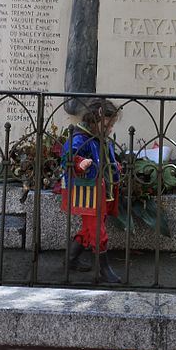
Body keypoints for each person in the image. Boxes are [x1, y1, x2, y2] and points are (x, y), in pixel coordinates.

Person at [61, 99, 122, 283]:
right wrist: (79, 162)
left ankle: (71, 259)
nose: (110, 128)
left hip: (101, 192)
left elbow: (107, 159)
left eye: (111, 125)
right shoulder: (81, 137)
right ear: (95, 120)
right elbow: (68, 156)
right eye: (107, 124)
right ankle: (104, 270)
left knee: (92, 227)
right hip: (87, 192)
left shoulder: (101, 139)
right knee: (97, 230)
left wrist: (115, 166)